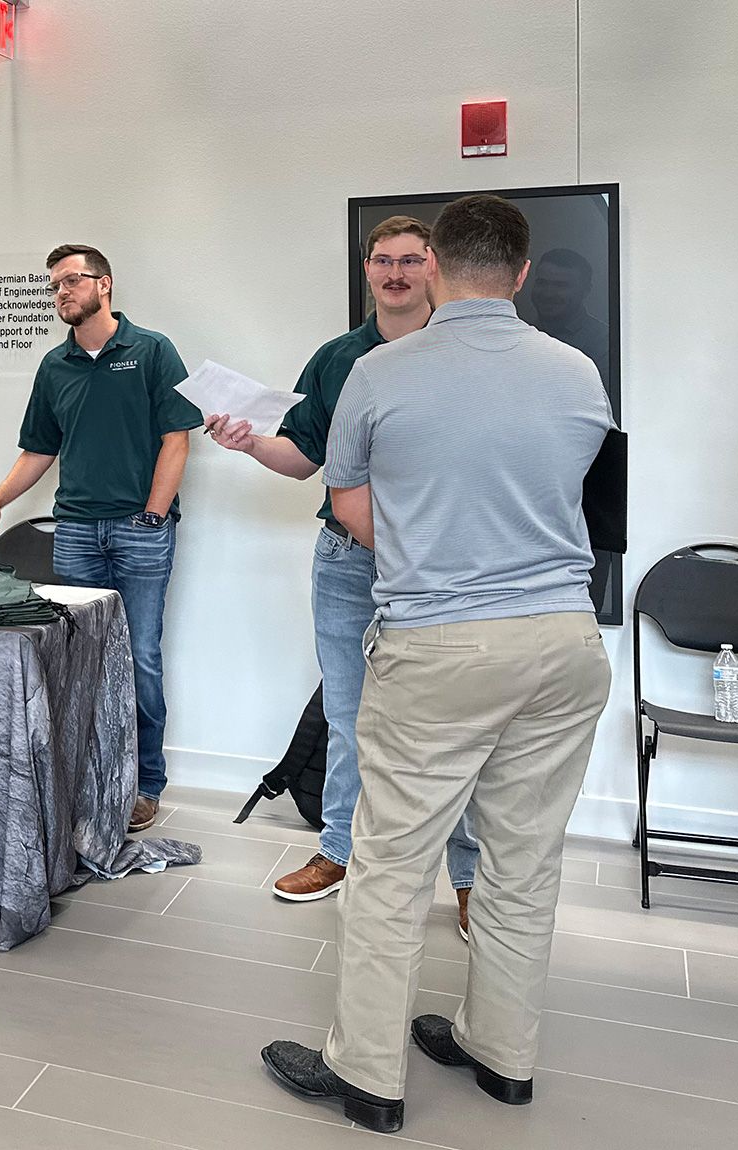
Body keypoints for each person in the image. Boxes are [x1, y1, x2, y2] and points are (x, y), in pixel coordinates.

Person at [259, 195, 614, 1133]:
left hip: (444, 643)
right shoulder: (577, 371)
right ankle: (504, 1055)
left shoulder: (379, 374)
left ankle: (368, 1075)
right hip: (567, 644)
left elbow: (355, 515)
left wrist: (433, 556)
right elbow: (561, 495)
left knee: (389, 863)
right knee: (524, 862)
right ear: (524, 273)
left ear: (440, 269)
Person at [206, 216, 480, 936]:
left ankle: (470, 875)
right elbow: (302, 457)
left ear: (435, 268)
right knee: (352, 715)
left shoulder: (462, 350)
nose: (396, 273)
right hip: (348, 561)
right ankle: (337, 850)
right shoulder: (337, 359)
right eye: (382, 260)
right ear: (366, 270)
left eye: (411, 261)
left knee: (452, 724)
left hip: (443, 562)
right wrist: (247, 443)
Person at [0, 244, 200, 831]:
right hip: (74, 530)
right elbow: (40, 449)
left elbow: (178, 438)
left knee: (140, 658)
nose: (62, 293)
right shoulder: (55, 366)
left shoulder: (151, 351)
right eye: (54, 286)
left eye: (72, 281)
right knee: (80, 659)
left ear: (105, 285)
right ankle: (87, 776)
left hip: (140, 531)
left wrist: (151, 515)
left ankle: (145, 783)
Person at [523, 247, 610, 372]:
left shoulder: (603, 343)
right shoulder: (523, 335)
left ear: (585, 290)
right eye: (542, 282)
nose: (548, 293)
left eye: (561, 285)